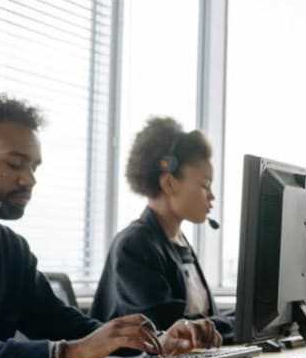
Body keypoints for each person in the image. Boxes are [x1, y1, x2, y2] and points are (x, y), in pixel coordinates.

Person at [0, 95, 219, 358]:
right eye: (15, 163)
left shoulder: (10, 250)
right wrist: (65, 353)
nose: (30, 179)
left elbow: (64, 326)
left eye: (34, 167)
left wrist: (155, 341)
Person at [91, 117, 232, 339]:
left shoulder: (179, 243)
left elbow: (202, 323)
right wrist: (239, 323)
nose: (212, 195)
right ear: (169, 183)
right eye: (205, 185)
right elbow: (168, 326)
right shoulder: (134, 245)